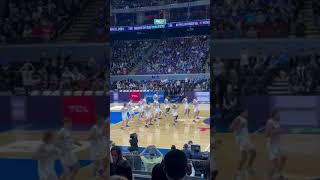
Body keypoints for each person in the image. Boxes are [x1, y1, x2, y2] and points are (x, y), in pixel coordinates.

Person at [230, 109, 256, 180]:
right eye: (245, 112)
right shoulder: (238, 118)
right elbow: (231, 128)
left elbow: (242, 130)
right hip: (243, 141)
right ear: (241, 113)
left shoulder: (243, 119)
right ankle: (248, 167)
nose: (247, 113)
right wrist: (240, 126)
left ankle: (237, 174)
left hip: (244, 140)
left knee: (244, 158)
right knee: (253, 152)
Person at [266, 110, 288, 180]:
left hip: (278, 144)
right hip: (272, 145)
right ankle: (269, 178)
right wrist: (277, 131)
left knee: (284, 157)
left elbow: (278, 131)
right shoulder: (270, 122)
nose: (279, 116)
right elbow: (267, 134)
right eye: (278, 114)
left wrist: (282, 131)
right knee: (275, 165)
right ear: (274, 115)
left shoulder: (278, 122)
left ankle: (279, 175)